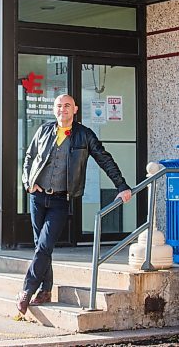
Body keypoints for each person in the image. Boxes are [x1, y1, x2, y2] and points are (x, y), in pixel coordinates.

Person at [16, 94, 132, 315]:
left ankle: (27, 290)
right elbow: (30, 157)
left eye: (67, 106)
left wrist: (121, 185)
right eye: (59, 106)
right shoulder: (43, 131)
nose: (63, 109)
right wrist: (28, 183)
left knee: (44, 245)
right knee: (41, 246)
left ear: (75, 109)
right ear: (54, 110)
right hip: (38, 197)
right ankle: (46, 290)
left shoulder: (84, 135)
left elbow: (104, 159)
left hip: (60, 199)